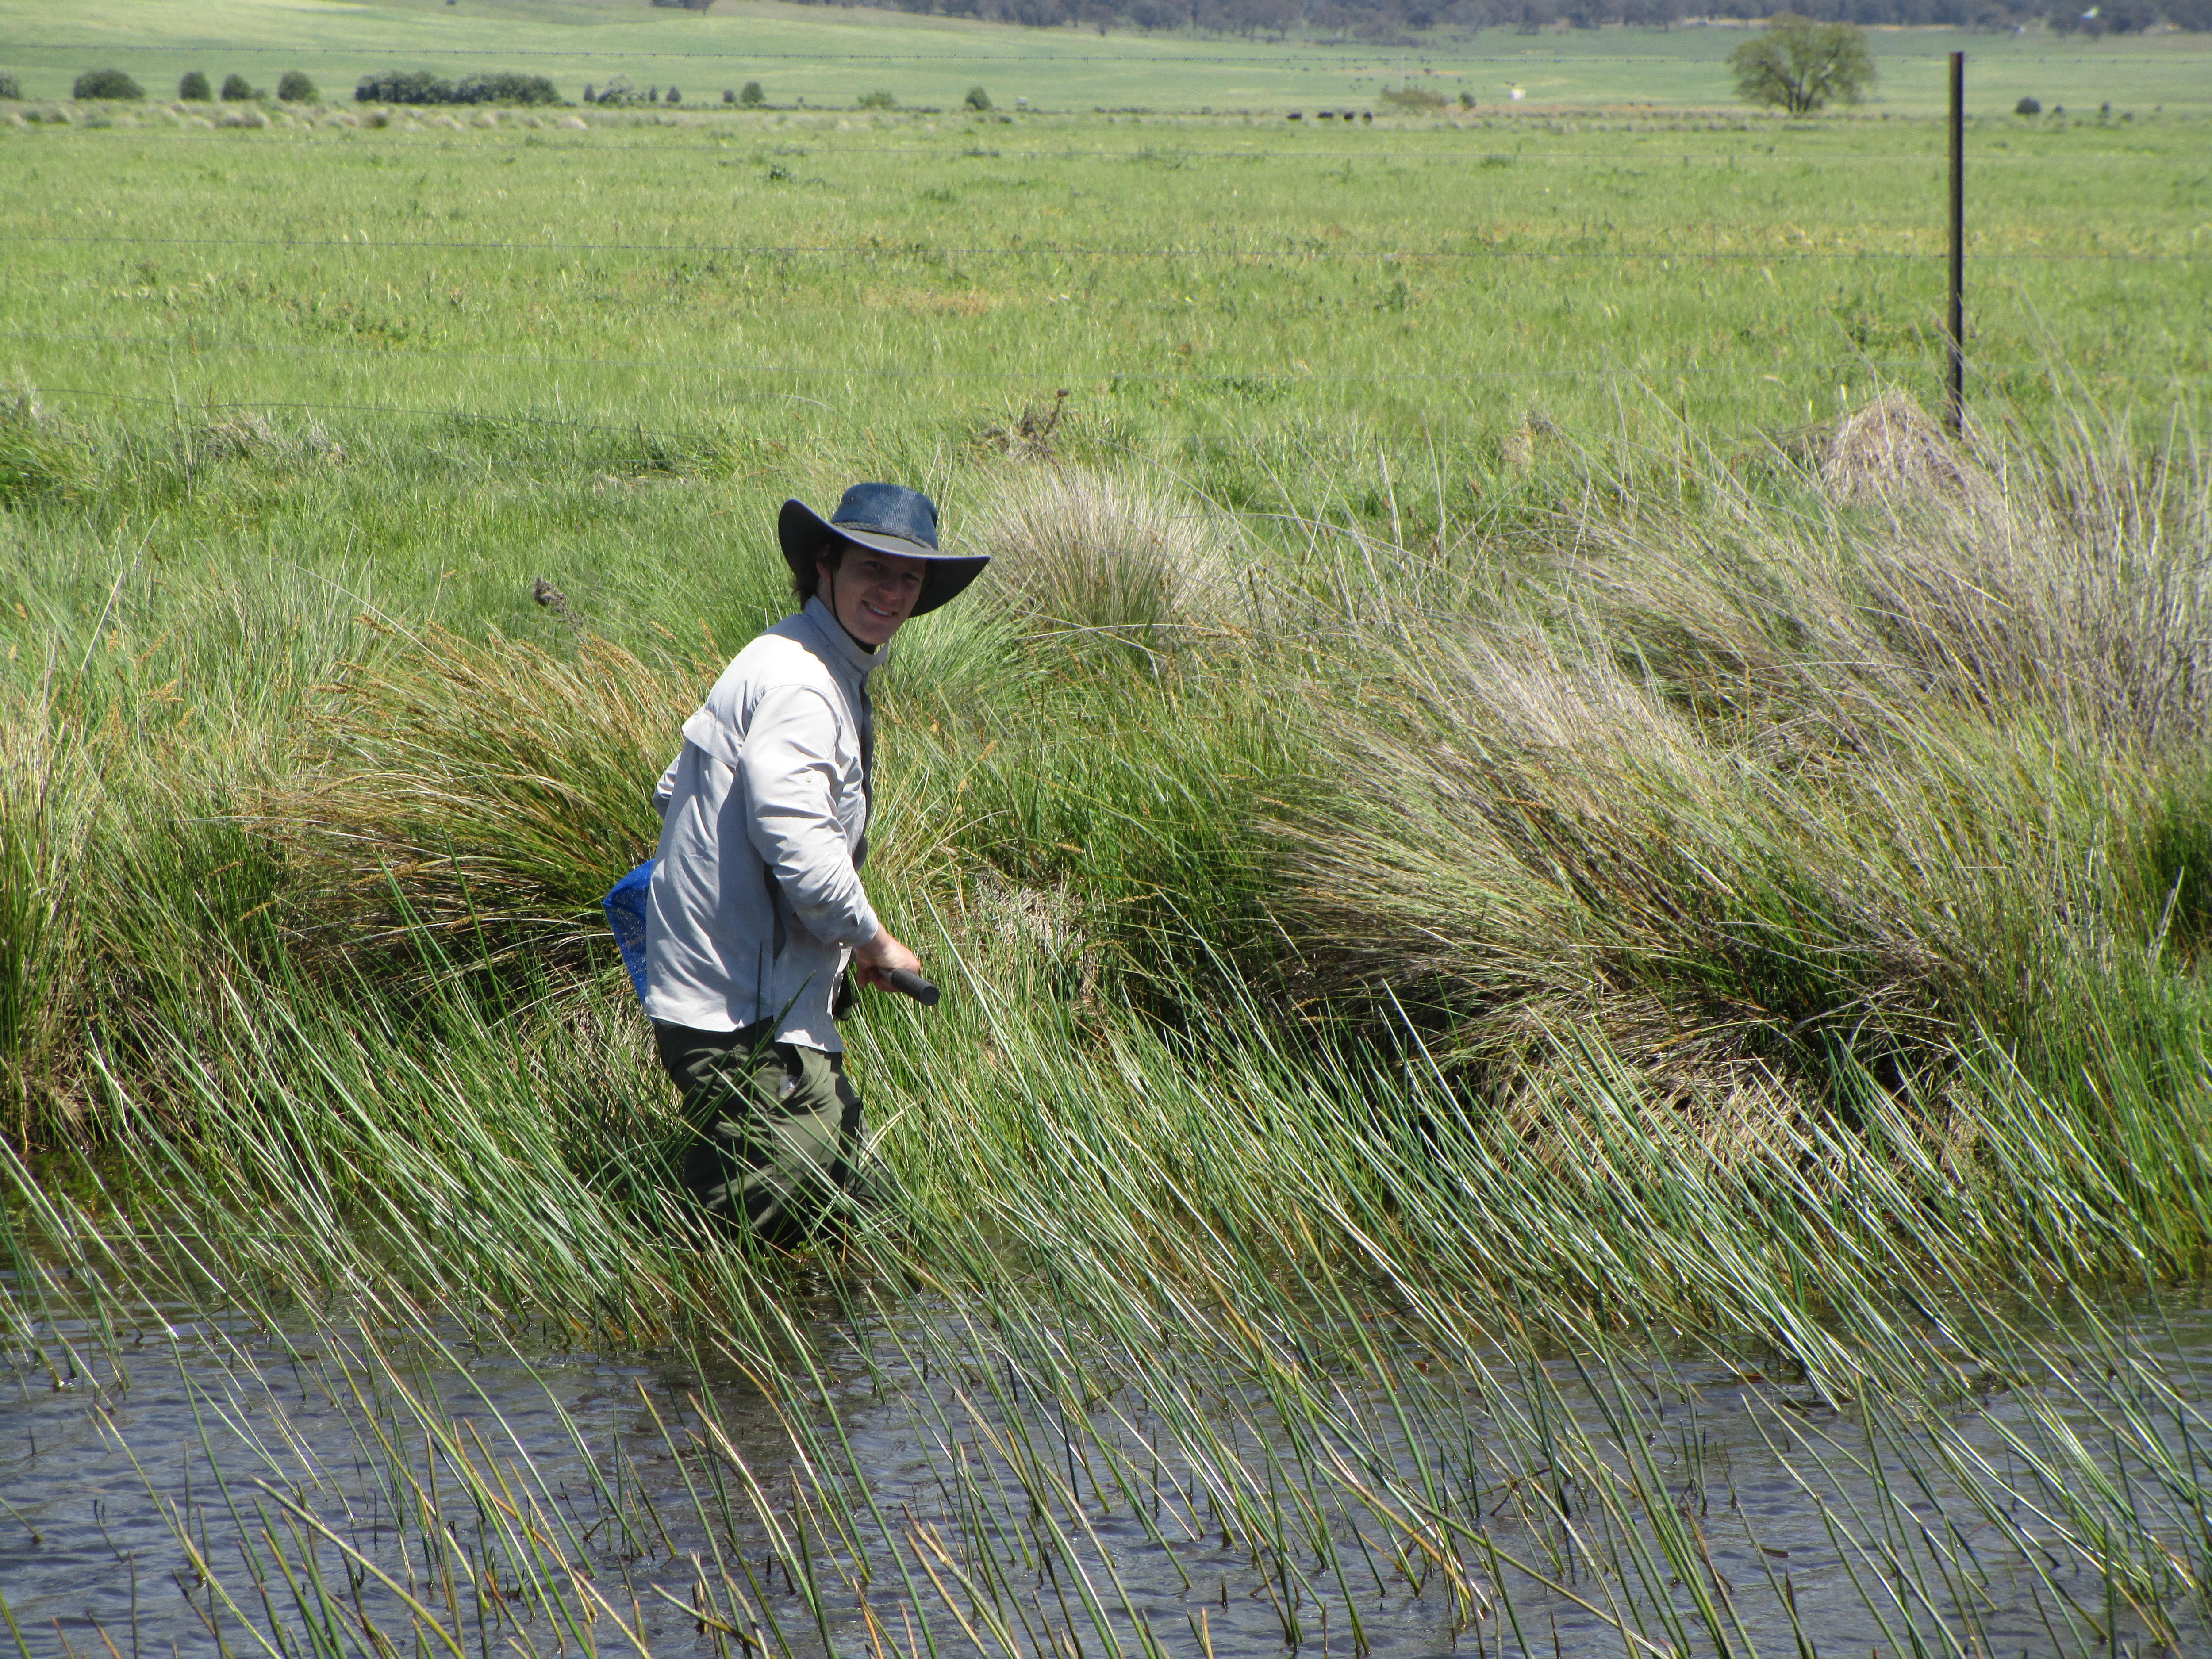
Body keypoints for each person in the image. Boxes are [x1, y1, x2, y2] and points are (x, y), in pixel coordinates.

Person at [642, 483, 987, 1245]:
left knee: (858, 1210)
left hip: (745, 990)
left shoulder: (790, 655)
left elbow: (674, 790)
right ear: (825, 565)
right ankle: (687, 1348)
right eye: (875, 567)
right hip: (740, 1010)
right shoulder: (805, 682)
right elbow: (794, 832)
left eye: (909, 577)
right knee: (751, 1231)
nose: (892, 591)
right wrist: (870, 940)